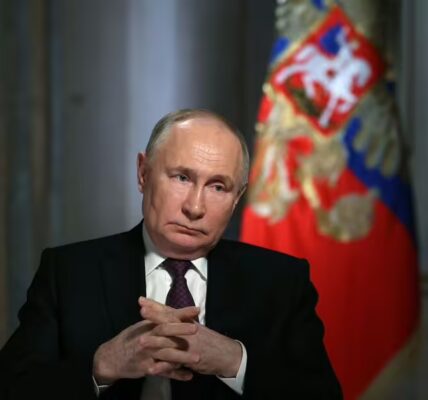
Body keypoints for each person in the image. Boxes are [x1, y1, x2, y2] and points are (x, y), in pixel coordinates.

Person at [0, 109, 342, 399]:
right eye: (181, 177)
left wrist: (234, 361)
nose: (195, 207)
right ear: (143, 173)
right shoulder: (69, 273)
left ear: (237, 198)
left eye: (218, 186)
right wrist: (100, 367)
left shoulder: (282, 282)